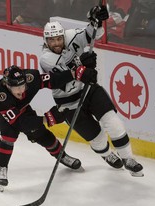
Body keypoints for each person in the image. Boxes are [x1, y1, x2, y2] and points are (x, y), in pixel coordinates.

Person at [39, 5, 144, 177]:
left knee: (114, 123)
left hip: (88, 90)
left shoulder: (71, 36)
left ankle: (128, 159)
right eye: (52, 41)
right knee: (97, 138)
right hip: (68, 103)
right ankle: (106, 155)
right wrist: (82, 64)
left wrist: (95, 18)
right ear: (46, 41)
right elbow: (70, 72)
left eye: (58, 38)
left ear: (63, 36)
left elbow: (95, 33)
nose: (56, 43)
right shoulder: (46, 59)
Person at [0, 64, 97, 190]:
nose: (21, 91)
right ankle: (1, 167)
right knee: (10, 132)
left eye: (23, 86)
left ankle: (62, 156)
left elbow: (52, 80)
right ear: (7, 85)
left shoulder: (31, 77)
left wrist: (74, 74)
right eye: (16, 88)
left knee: (40, 133)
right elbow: (19, 124)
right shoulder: (0, 96)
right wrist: (47, 118)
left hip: (21, 109)